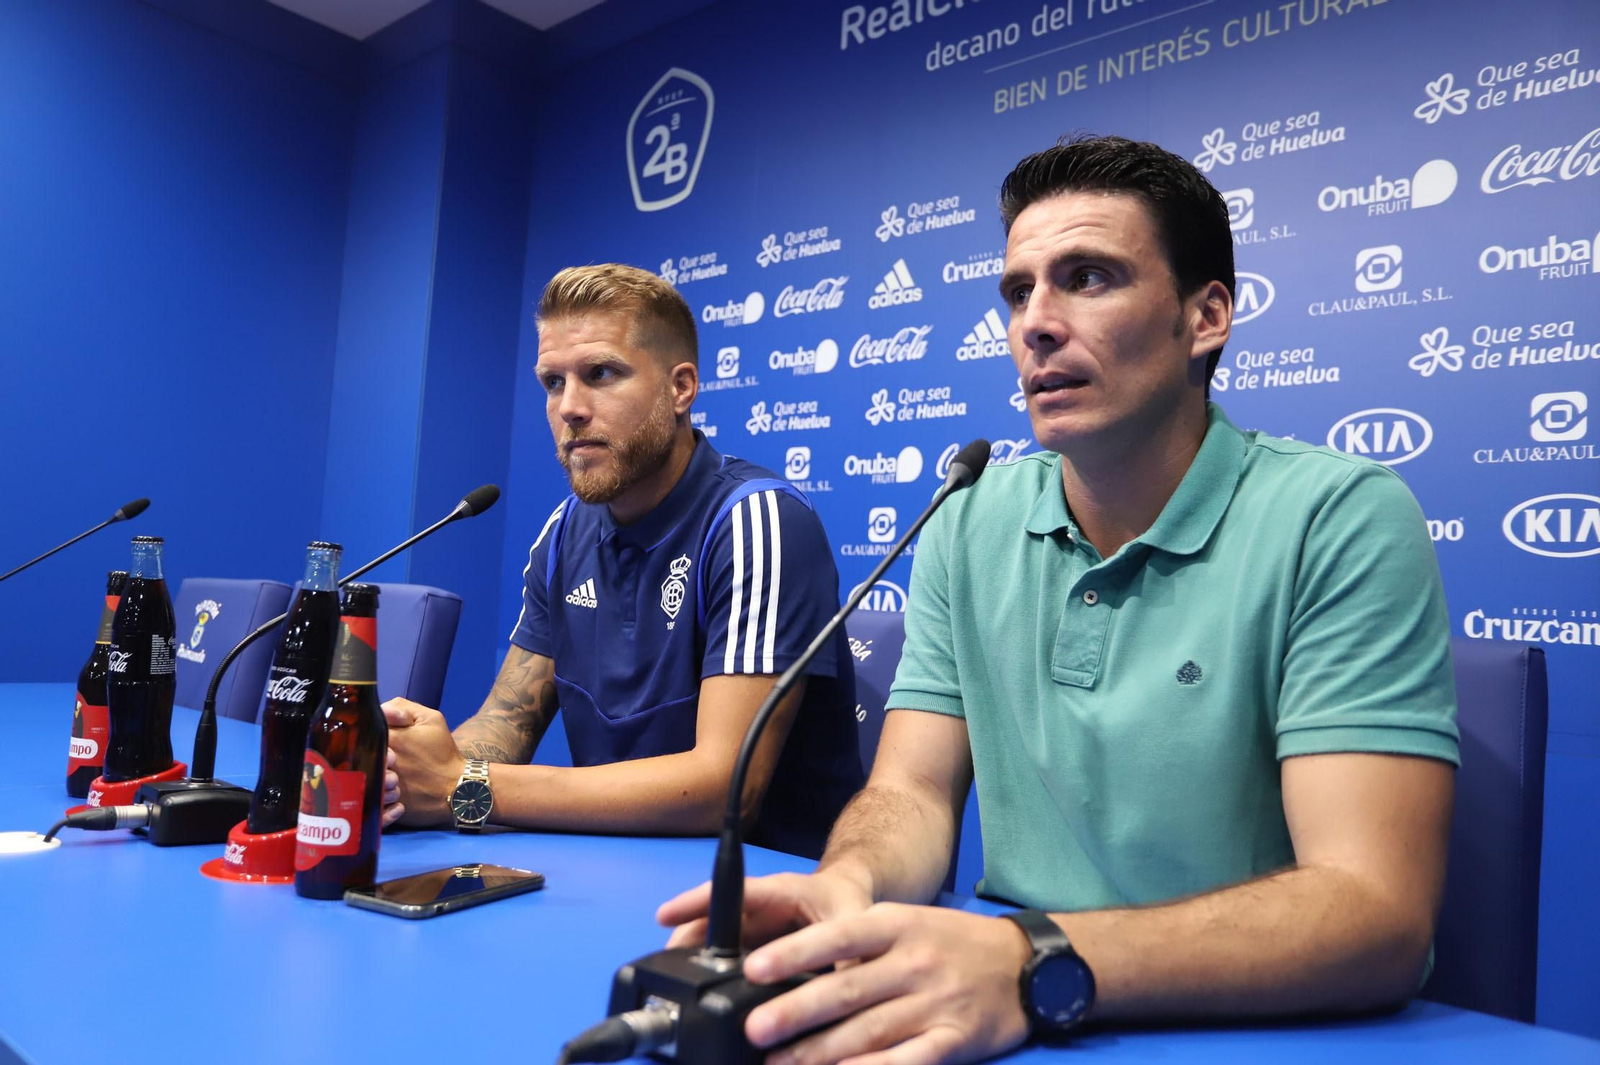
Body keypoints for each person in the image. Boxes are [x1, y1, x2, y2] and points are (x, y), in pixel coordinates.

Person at [659, 135, 1459, 1063]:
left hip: (1249, 1028)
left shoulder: (1339, 516)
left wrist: (1030, 956)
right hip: (1009, 1009)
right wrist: (851, 882)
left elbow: (1376, 910)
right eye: (1018, 290)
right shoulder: (966, 514)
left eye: (1088, 277)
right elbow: (911, 791)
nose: (1035, 322)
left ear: (1205, 318)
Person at [381, 264, 864, 859]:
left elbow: (724, 791)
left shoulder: (759, 522)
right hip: (613, 870)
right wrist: (405, 774)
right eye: (552, 383)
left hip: (760, 899)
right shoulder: (564, 533)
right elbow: (506, 724)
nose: (570, 409)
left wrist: (465, 787)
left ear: (681, 387)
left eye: (601, 374)